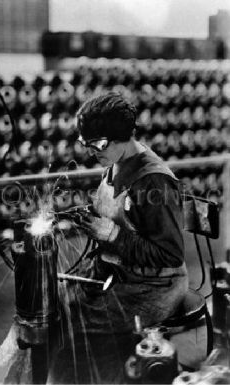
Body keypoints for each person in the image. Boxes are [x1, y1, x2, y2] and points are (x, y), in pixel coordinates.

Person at [49, 92, 190, 384]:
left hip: (154, 287)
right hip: (122, 273)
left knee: (79, 326)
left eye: (98, 145)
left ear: (122, 137)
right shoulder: (116, 162)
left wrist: (112, 234)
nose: (91, 152)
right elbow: (123, 213)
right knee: (60, 303)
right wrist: (87, 216)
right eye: (85, 144)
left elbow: (170, 255)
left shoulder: (153, 180)